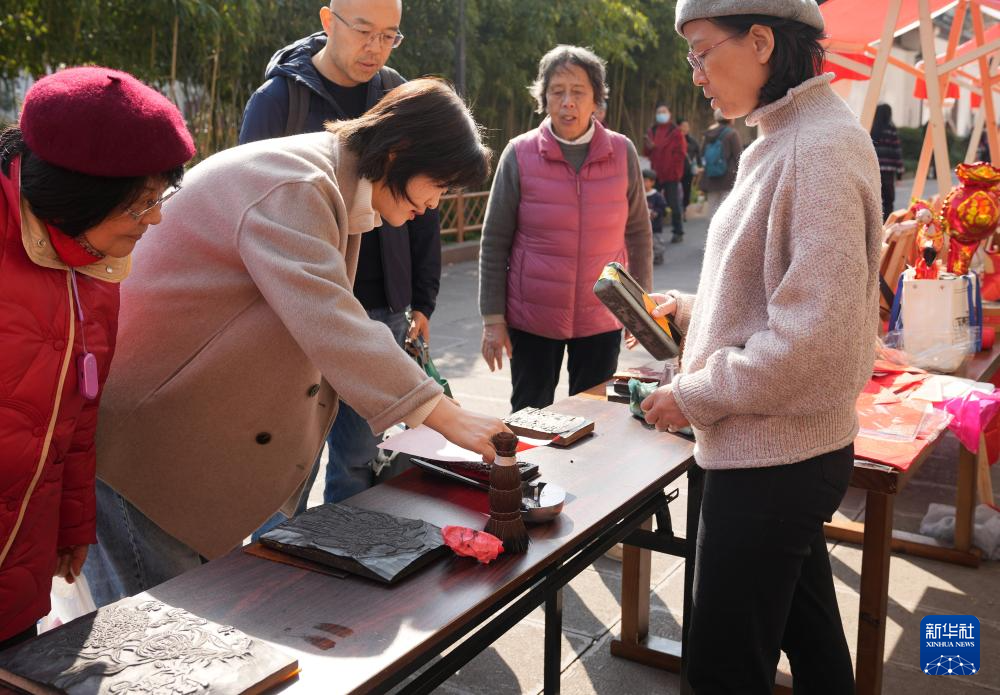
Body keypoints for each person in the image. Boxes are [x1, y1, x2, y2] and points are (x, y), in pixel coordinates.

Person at [82, 79, 509, 607]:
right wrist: (441, 412)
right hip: (143, 450)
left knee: (194, 626)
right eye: (437, 185)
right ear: (397, 153)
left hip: (174, 434)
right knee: (155, 642)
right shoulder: (299, 184)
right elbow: (329, 319)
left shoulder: (330, 179)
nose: (434, 204)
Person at [642, 2, 882, 692]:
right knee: (811, 640)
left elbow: (814, 343)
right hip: (781, 448)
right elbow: (780, 295)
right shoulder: (787, 135)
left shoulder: (815, 148)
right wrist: (694, 313)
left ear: (761, 41)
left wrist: (691, 394)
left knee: (721, 668)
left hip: (772, 459)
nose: (695, 75)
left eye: (699, 51)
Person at [0, 67, 193, 649]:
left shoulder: (96, 269)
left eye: (160, 199)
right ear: (79, 196)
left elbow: (80, 414)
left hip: (20, 567)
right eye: (139, 205)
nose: (155, 219)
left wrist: (72, 522)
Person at [240, 0, 442, 517]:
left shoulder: (398, 96)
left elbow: (426, 201)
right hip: (298, 313)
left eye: (390, 36)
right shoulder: (279, 99)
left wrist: (422, 297)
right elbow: (248, 204)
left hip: (379, 304)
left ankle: (346, 577)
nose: (375, 48)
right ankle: (273, 585)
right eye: (364, 31)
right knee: (286, 470)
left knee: (360, 458)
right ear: (329, 21)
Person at [478, 45, 653, 412]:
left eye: (578, 92)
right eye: (557, 91)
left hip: (601, 315)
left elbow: (638, 233)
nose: (567, 102)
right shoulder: (519, 153)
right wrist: (493, 319)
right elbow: (494, 242)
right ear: (543, 98)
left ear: (596, 100)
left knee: (595, 420)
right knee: (529, 417)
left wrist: (642, 311)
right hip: (533, 318)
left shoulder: (622, 152)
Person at [644, 101, 687, 243]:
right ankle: (651, 232)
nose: (661, 114)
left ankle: (678, 231)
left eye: (664, 112)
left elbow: (680, 153)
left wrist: (675, 171)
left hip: (671, 174)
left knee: (674, 204)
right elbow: (646, 152)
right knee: (652, 203)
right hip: (654, 174)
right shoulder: (652, 130)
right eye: (659, 112)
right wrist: (649, 147)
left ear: (669, 114)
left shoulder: (675, 131)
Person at [700, 108, 743, 218]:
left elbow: (702, 154)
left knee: (713, 209)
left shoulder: (708, 134)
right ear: (730, 118)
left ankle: (712, 233)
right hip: (728, 177)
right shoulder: (732, 134)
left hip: (711, 176)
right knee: (727, 209)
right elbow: (739, 156)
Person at [870, 103, 904, 220]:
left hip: (873, 170)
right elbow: (896, 152)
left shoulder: (871, 129)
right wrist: (899, 175)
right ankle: (887, 223)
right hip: (889, 172)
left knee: (875, 199)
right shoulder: (891, 129)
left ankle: (876, 225)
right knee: (889, 200)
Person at [678, 117, 702, 216]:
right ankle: (677, 210)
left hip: (687, 171)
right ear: (678, 127)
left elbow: (698, 153)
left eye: (687, 126)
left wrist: (700, 166)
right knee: (675, 191)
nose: (685, 128)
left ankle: (683, 209)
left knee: (686, 190)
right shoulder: (673, 139)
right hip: (675, 171)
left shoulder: (692, 141)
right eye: (683, 126)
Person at [643, 168, 668, 264]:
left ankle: (658, 255)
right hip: (643, 225)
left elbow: (662, 207)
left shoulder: (657, 195)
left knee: (656, 241)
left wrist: (655, 213)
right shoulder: (639, 194)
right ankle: (647, 257)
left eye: (646, 181)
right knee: (645, 243)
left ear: (652, 182)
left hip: (655, 225)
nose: (643, 183)